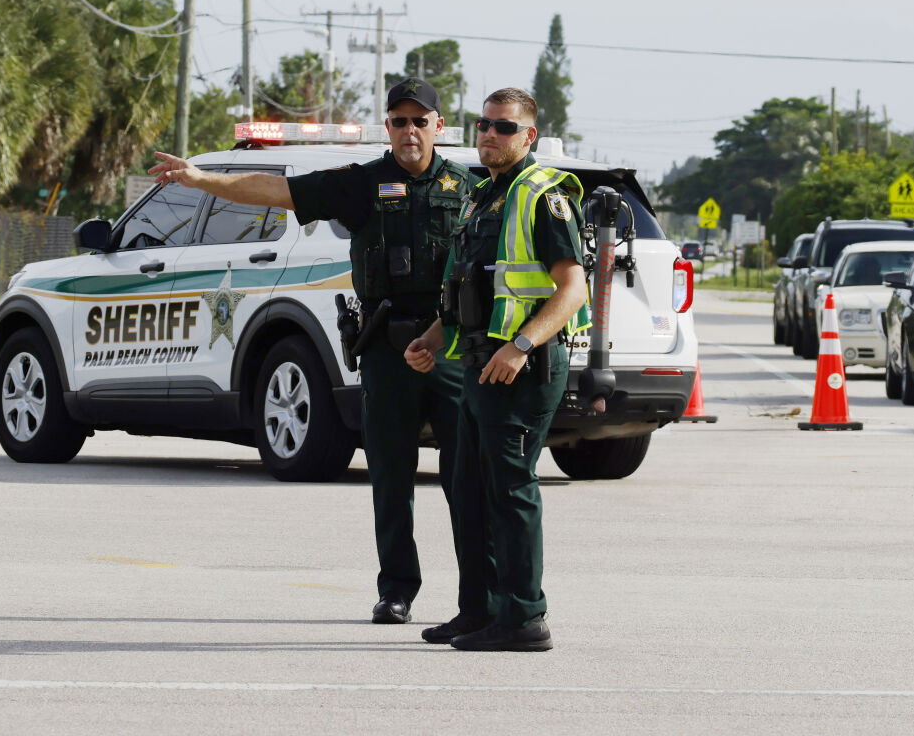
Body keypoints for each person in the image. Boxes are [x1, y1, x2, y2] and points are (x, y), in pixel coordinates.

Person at [147, 78, 479, 629]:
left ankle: (476, 599)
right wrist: (203, 178)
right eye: (399, 121)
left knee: (465, 479)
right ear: (389, 128)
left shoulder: (468, 188)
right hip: (385, 348)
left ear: (439, 127)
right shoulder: (361, 184)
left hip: (447, 348)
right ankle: (396, 589)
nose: (410, 131)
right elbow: (277, 191)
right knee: (390, 479)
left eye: (420, 121)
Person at [403, 87, 589, 652]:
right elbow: (471, 288)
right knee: (469, 489)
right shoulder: (482, 196)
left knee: (509, 490)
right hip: (479, 363)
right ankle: (480, 610)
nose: (489, 134)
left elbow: (572, 288)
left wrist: (522, 345)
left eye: (504, 128)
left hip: (522, 368)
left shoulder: (543, 194)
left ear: (528, 136)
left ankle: (524, 617)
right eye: (482, 124)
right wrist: (432, 340)